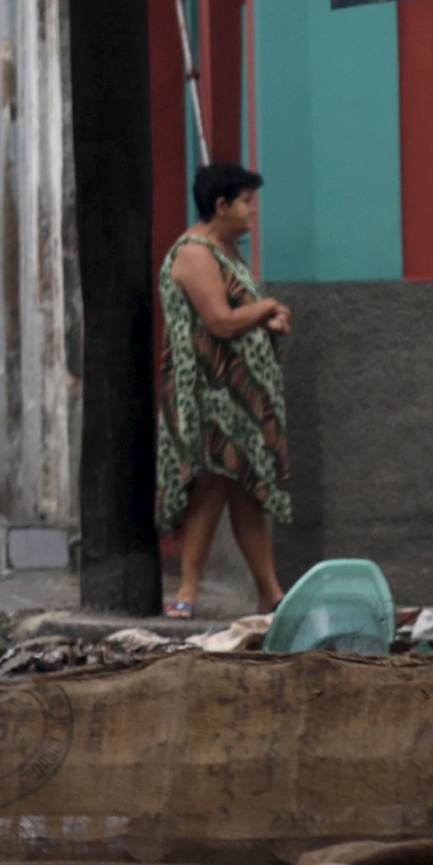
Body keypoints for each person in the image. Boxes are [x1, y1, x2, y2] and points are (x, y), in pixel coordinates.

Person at [158, 161, 293, 617]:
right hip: (207, 393)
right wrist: (267, 307)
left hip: (236, 397)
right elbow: (219, 320)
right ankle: (188, 590)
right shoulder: (196, 252)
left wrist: (269, 322)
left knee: (245, 491)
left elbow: (242, 314)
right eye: (246, 203)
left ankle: (270, 591)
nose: (252, 213)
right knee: (211, 486)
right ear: (221, 205)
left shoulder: (228, 251)